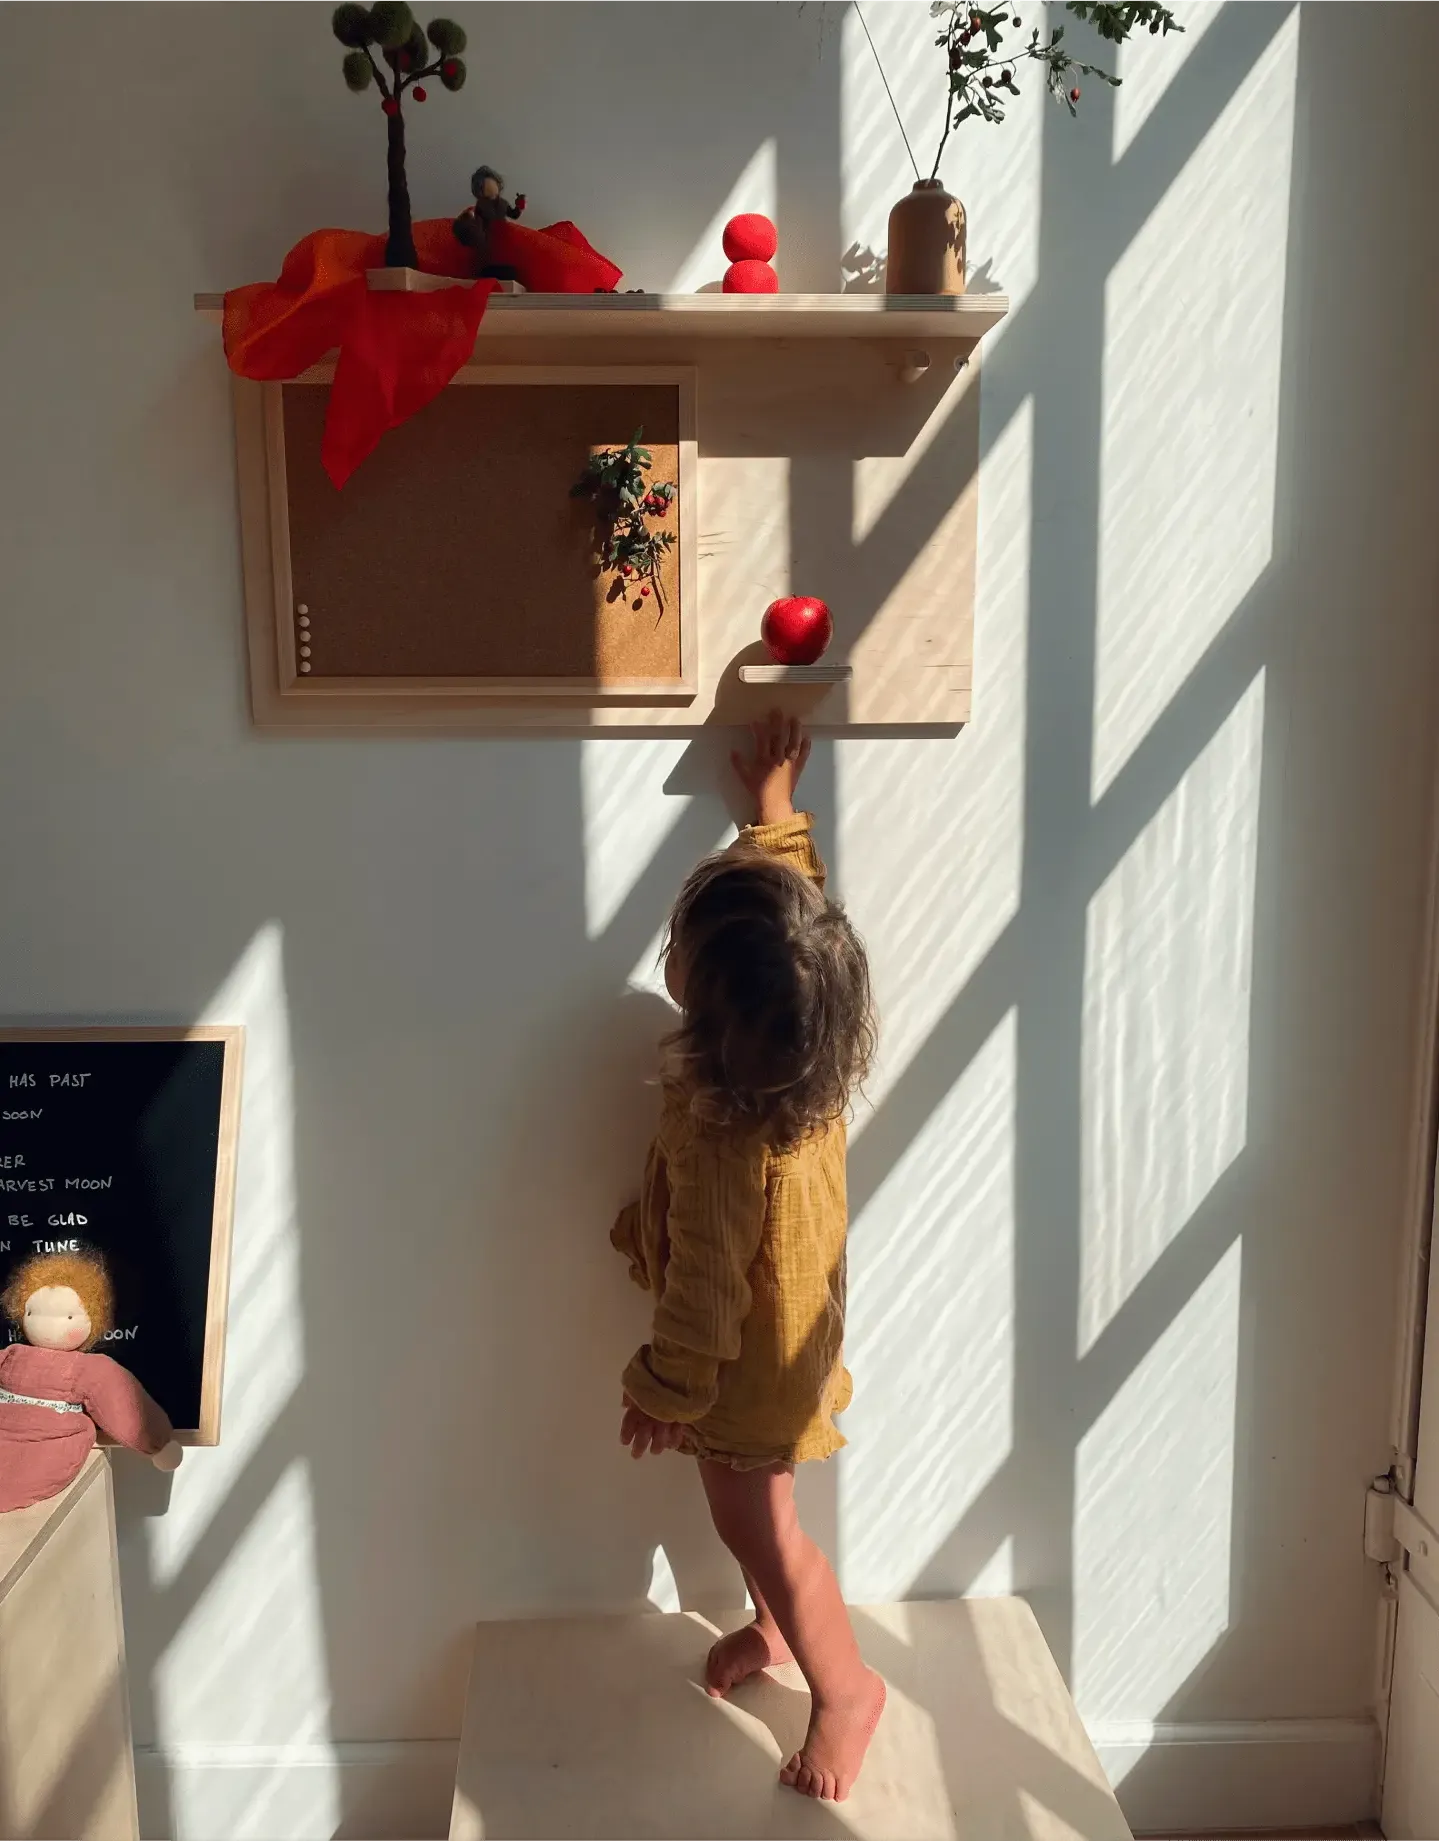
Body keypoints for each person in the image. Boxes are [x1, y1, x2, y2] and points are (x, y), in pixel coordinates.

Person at [611, 712, 885, 1804]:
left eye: (676, 952)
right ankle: (773, 1626)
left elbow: (708, 1283)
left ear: (712, 1012)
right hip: (795, 1326)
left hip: (743, 1356)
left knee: (755, 1520)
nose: (665, 957)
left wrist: (666, 1388)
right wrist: (773, 818)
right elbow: (795, 923)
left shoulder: (722, 1128)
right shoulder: (799, 1035)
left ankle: (846, 1684)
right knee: (758, 1514)